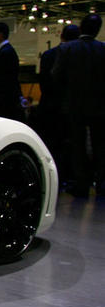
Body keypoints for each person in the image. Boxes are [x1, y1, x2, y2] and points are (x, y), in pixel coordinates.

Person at [52, 14, 105, 198]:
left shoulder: (67, 48)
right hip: (100, 107)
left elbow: (56, 76)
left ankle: (81, 185)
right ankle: (102, 184)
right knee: (100, 146)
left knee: (78, 146)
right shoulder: (102, 49)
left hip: (74, 105)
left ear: (81, 27)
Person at [36, 24, 81, 182]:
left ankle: (52, 178)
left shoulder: (49, 54)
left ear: (61, 36)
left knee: (52, 146)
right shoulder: (81, 55)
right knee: (74, 146)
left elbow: (44, 83)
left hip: (51, 109)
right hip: (75, 109)